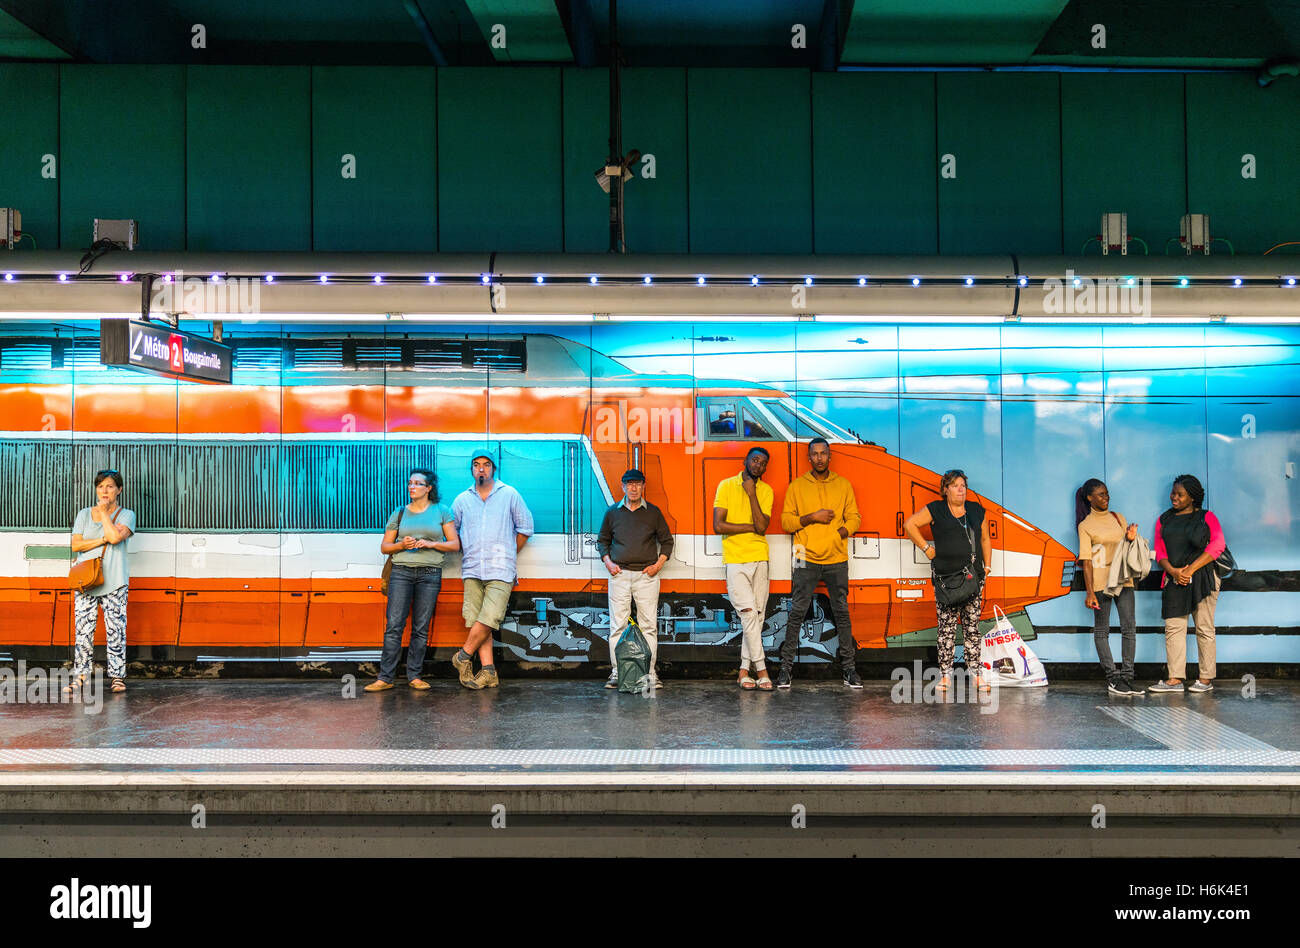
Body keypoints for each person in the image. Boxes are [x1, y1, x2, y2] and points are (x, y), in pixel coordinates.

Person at [778, 438, 862, 689]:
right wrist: (812, 517)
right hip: (805, 558)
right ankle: (785, 670)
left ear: (829, 455)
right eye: (814, 454)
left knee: (842, 614)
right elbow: (786, 523)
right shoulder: (797, 486)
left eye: (823, 453)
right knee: (796, 613)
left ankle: (849, 671)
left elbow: (855, 518)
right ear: (809, 457)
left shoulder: (843, 485)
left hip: (837, 559)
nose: (819, 458)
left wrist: (839, 534)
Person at [366, 468, 459, 692]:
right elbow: (384, 547)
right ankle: (385, 677)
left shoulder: (442, 511)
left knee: (421, 627)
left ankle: (414, 676)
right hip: (401, 573)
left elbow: (455, 544)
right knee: (394, 626)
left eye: (417, 483)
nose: (412, 486)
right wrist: (401, 545)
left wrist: (430, 544)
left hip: (430, 574)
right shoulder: (399, 513)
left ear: (429, 488)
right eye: (410, 483)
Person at [450, 451, 534, 689]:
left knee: (489, 618)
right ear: (472, 470)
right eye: (476, 465)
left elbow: (526, 527)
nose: (481, 469)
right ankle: (488, 671)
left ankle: (462, 657)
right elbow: (452, 532)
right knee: (477, 620)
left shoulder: (509, 494)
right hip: (472, 568)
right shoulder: (462, 500)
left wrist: (508, 553)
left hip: (501, 569)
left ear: (493, 470)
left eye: (486, 465)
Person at [903, 469, 993, 692]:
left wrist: (988, 566)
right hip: (945, 581)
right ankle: (945, 676)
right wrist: (926, 548)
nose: (960, 489)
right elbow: (910, 525)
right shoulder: (937, 509)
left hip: (973, 579)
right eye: (955, 485)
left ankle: (976, 676)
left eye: (963, 485)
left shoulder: (975, 510)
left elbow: (984, 538)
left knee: (972, 628)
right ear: (945, 489)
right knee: (946, 630)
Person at [597, 469, 674, 690]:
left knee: (648, 626)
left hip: (646, 577)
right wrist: (609, 564)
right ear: (622, 487)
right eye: (629, 484)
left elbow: (667, 542)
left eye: (638, 484)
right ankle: (617, 673)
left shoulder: (654, 513)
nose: (633, 488)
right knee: (617, 626)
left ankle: (649, 674)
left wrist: (657, 565)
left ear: (643, 487)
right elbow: (602, 541)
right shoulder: (613, 513)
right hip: (619, 576)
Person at [1149, 474, 1225, 694]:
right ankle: (1174, 679)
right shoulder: (1164, 520)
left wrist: (1190, 569)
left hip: (1204, 579)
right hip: (1174, 578)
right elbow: (1160, 551)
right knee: (1174, 628)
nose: (1174, 497)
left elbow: (1217, 545)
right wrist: (1173, 571)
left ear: (1192, 498)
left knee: (1204, 628)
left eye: (1180, 495)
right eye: (1173, 493)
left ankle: (1205, 679)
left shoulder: (1206, 517)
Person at [67, 469, 136, 694]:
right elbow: (76, 545)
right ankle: (80, 677)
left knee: (116, 631)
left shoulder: (127, 515)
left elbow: (116, 538)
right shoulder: (84, 514)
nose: (104, 491)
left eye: (109, 486)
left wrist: (105, 514)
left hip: (114, 581)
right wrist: (102, 538)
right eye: (100, 487)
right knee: (83, 632)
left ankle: (117, 678)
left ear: (119, 490)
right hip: (86, 580)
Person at [713, 447, 775, 690]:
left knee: (757, 617)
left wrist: (751, 495)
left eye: (762, 463)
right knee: (749, 614)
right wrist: (750, 526)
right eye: (755, 460)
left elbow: (762, 527)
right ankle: (761, 669)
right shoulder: (726, 485)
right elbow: (719, 526)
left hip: (760, 557)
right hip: (736, 559)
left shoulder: (766, 491)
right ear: (746, 461)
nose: (758, 465)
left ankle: (742, 671)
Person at [1075, 478, 1143, 696]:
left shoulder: (1118, 518)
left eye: (1107, 494)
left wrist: (1131, 538)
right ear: (1090, 498)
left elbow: (1127, 547)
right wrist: (1089, 593)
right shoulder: (1085, 525)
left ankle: (1128, 678)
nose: (1107, 498)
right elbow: (1086, 561)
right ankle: (1113, 678)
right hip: (1100, 583)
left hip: (1123, 580)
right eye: (1101, 495)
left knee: (1129, 627)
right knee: (1102, 630)